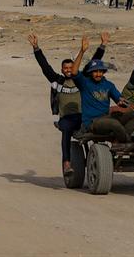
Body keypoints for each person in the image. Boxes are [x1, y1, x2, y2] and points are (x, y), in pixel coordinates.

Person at [28, 32, 105, 173]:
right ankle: (67, 163)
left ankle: (103, 158)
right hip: (67, 118)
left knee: (100, 130)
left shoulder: (81, 80)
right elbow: (45, 66)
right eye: (66, 68)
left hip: (84, 116)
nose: (69, 70)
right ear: (62, 70)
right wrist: (36, 48)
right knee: (66, 133)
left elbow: (93, 64)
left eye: (71, 67)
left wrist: (102, 46)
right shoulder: (57, 80)